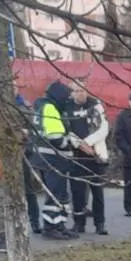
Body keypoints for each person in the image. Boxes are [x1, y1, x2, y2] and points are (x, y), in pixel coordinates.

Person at [0, 94, 41, 244]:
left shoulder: (22, 106)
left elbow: (31, 126)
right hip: (4, 157)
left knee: (27, 188)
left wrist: (24, 134)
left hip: (21, 152)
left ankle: (34, 222)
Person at [32, 81, 80, 239]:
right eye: (66, 98)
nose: (68, 101)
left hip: (51, 160)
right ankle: (50, 227)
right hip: (52, 160)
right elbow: (56, 137)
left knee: (61, 194)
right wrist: (70, 142)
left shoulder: (44, 107)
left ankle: (59, 224)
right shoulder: (50, 108)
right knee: (55, 194)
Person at [65, 83, 110, 235]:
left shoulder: (96, 105)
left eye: (83, 91)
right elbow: (66, 130)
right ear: (72, 93)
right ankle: (79, 224)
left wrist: (88, 143)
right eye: (77, 91)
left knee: (97, 191)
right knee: (77, 192)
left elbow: (103, 128)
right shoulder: (67, 108)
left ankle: (100, 224)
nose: (80, 94)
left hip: (94, 154)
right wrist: (80, 144)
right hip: (77, 155)